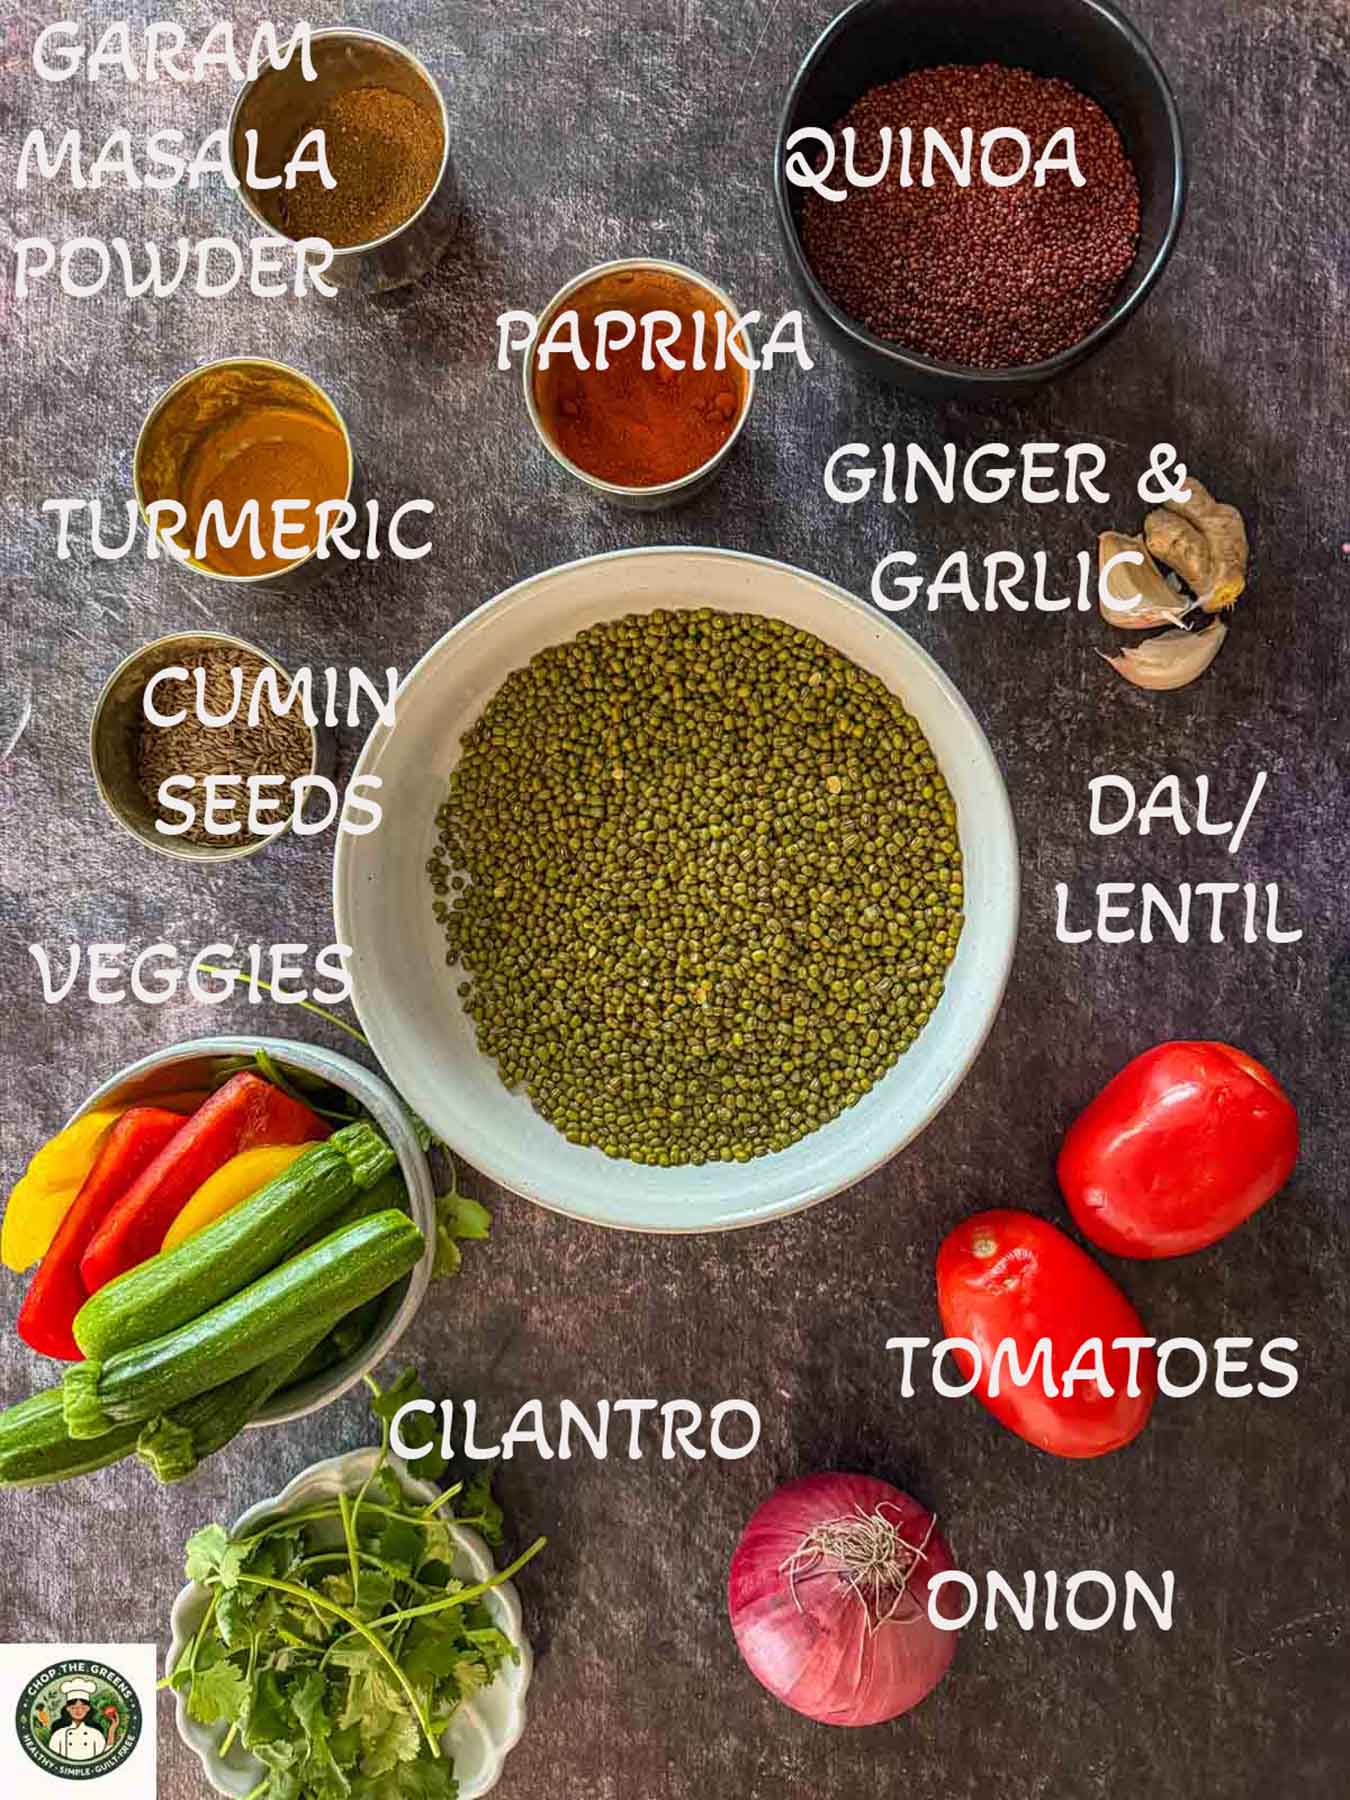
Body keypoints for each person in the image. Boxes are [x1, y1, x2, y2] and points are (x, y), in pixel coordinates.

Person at [47, 1679, 107, 1762]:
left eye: (83, 1708)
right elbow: (52, 1759)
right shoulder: (59, 1734)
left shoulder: (96, 1734)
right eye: (74, 1708)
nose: (79, 1711)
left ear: (88, 1709)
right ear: (68, 1709)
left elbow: (103, 1758)